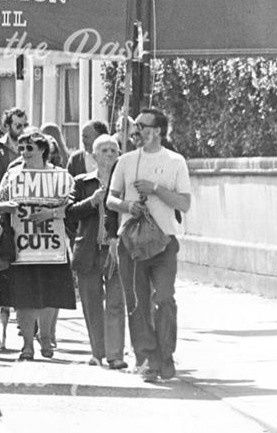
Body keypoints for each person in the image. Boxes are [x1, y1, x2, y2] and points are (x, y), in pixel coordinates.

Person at [107, 107, 191, 383]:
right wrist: (128, 205)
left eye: (142, 126)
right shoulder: (126, 161)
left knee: (164, 299)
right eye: (136, 125)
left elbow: (184, 203)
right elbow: (111, 199)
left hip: (164, 240)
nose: (136, 130)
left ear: (156, 131)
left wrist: (155, 189)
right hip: (131, 241)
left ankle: (166, 355)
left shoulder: (175, 161)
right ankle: (147, 359)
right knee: (137, 303)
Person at [0, 129, 76, 361]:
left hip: (53, 245)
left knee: (51, 294)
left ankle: (47, 338)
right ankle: (27, 345)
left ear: (42, 150)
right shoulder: (12, 175)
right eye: (21, 148)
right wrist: (8, 207)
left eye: (29, 148)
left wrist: (50, 213)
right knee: (23, 296)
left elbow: (71, 207)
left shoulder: (60, 176)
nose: (24, 153)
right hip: (22, 245)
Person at [66, 134, 127, 369]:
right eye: (105, 150)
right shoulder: (82, 182)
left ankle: (116, 355)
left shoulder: (124, 181)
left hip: (115, 250)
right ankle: (98, 352)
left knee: (115, 303)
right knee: (91, 304)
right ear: (93, 155)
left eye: (114, 150)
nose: (110, 155)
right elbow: (70, 211)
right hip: (89, 250)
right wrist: (91, 201)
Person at [0, 108, 28, 206]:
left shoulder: (31, 148)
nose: (23, 130)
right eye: (18, 126)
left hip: (24, 205)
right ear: (7, 126)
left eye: (25, 125)